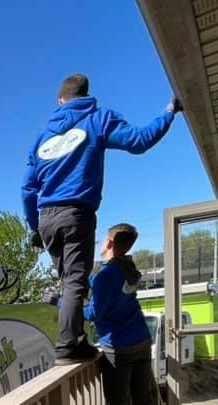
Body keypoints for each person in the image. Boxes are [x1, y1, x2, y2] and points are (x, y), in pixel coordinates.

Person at [22, 73, 181, 363]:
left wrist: (33, 227)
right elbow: (139, 140)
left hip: (46, 219)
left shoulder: (41, 138)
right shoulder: (98, 119)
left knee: (68, 282)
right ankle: (68, 347)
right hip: (75, 213)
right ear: (85, 95)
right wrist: (169, 113)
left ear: (60, 100)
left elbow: (27, 188)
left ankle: (76, 339)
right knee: (74, 283)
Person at [85, 223, 165, 405]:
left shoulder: (107, 275)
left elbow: (94, 313)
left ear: (108, 241)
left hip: (118, 347)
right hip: (141, 341)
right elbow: (108, 287)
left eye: (101, 241)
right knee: (143, 398)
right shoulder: (128, 268)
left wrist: (62, 303)